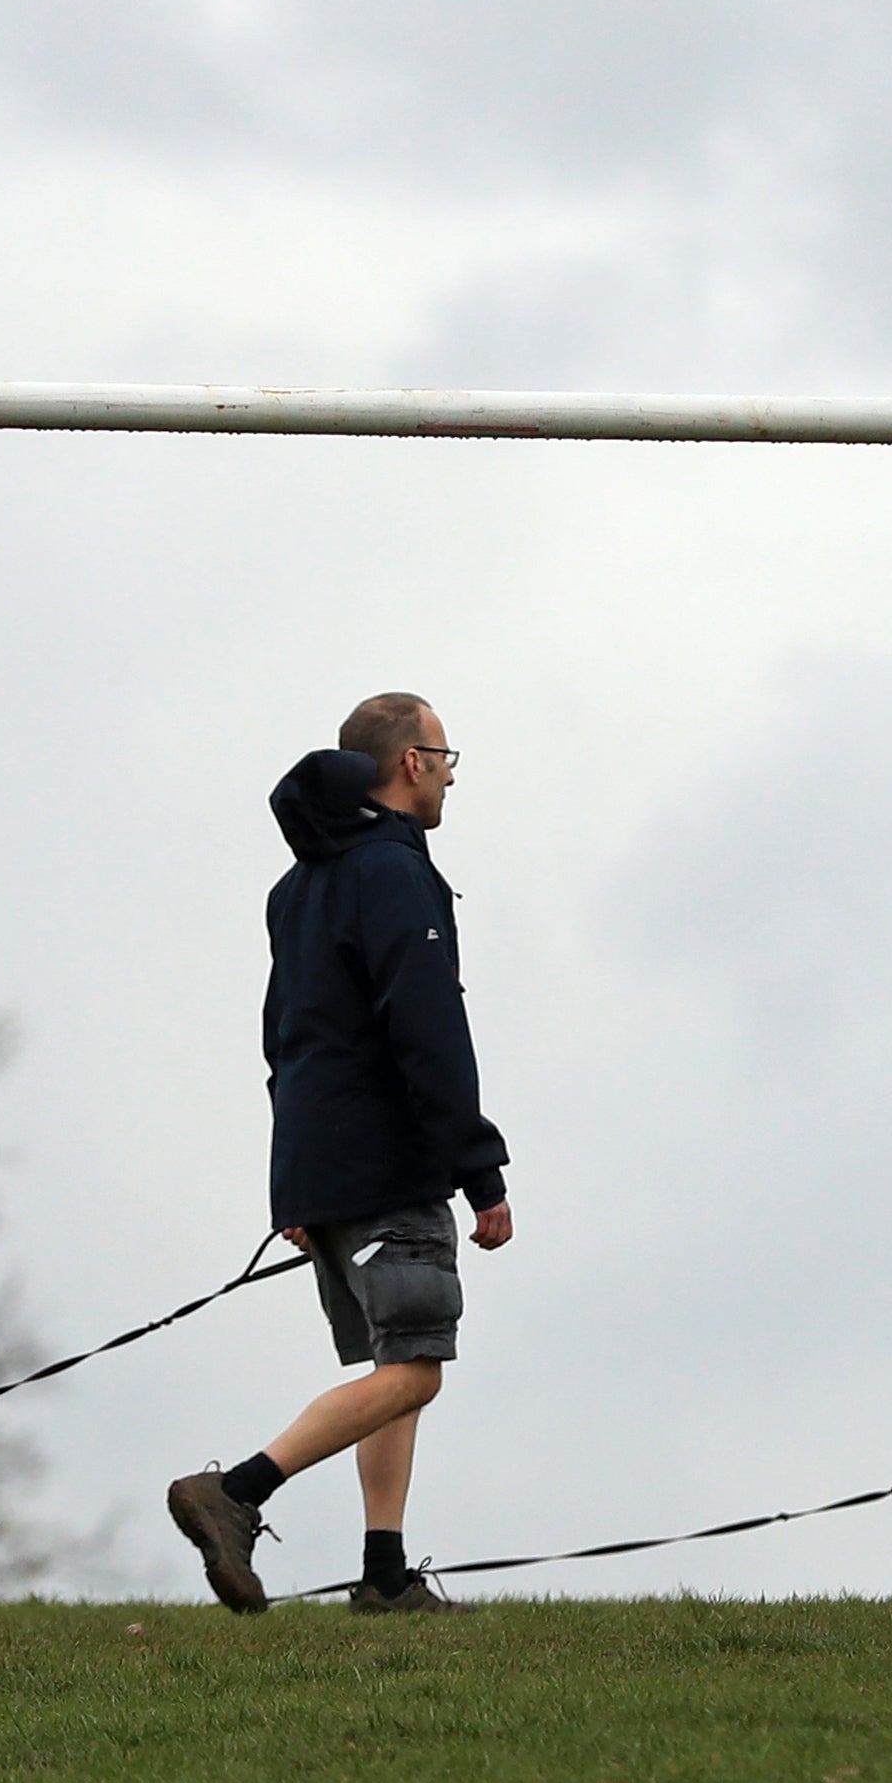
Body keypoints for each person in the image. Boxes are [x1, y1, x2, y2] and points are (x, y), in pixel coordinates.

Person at [168, 692, 513, 1615]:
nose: (448, 775)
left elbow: (288, 1036)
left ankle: (386, 1576)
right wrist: (479, 1169)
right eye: (444, 756)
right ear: (409, 764)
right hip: (388, 1160)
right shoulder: (395, 876)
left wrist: (297, 1187)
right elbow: (427, 1025)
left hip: (322, 1168)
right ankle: (235, 1491)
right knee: (417, 1370)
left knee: (392, 1366)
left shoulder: (300, 887)